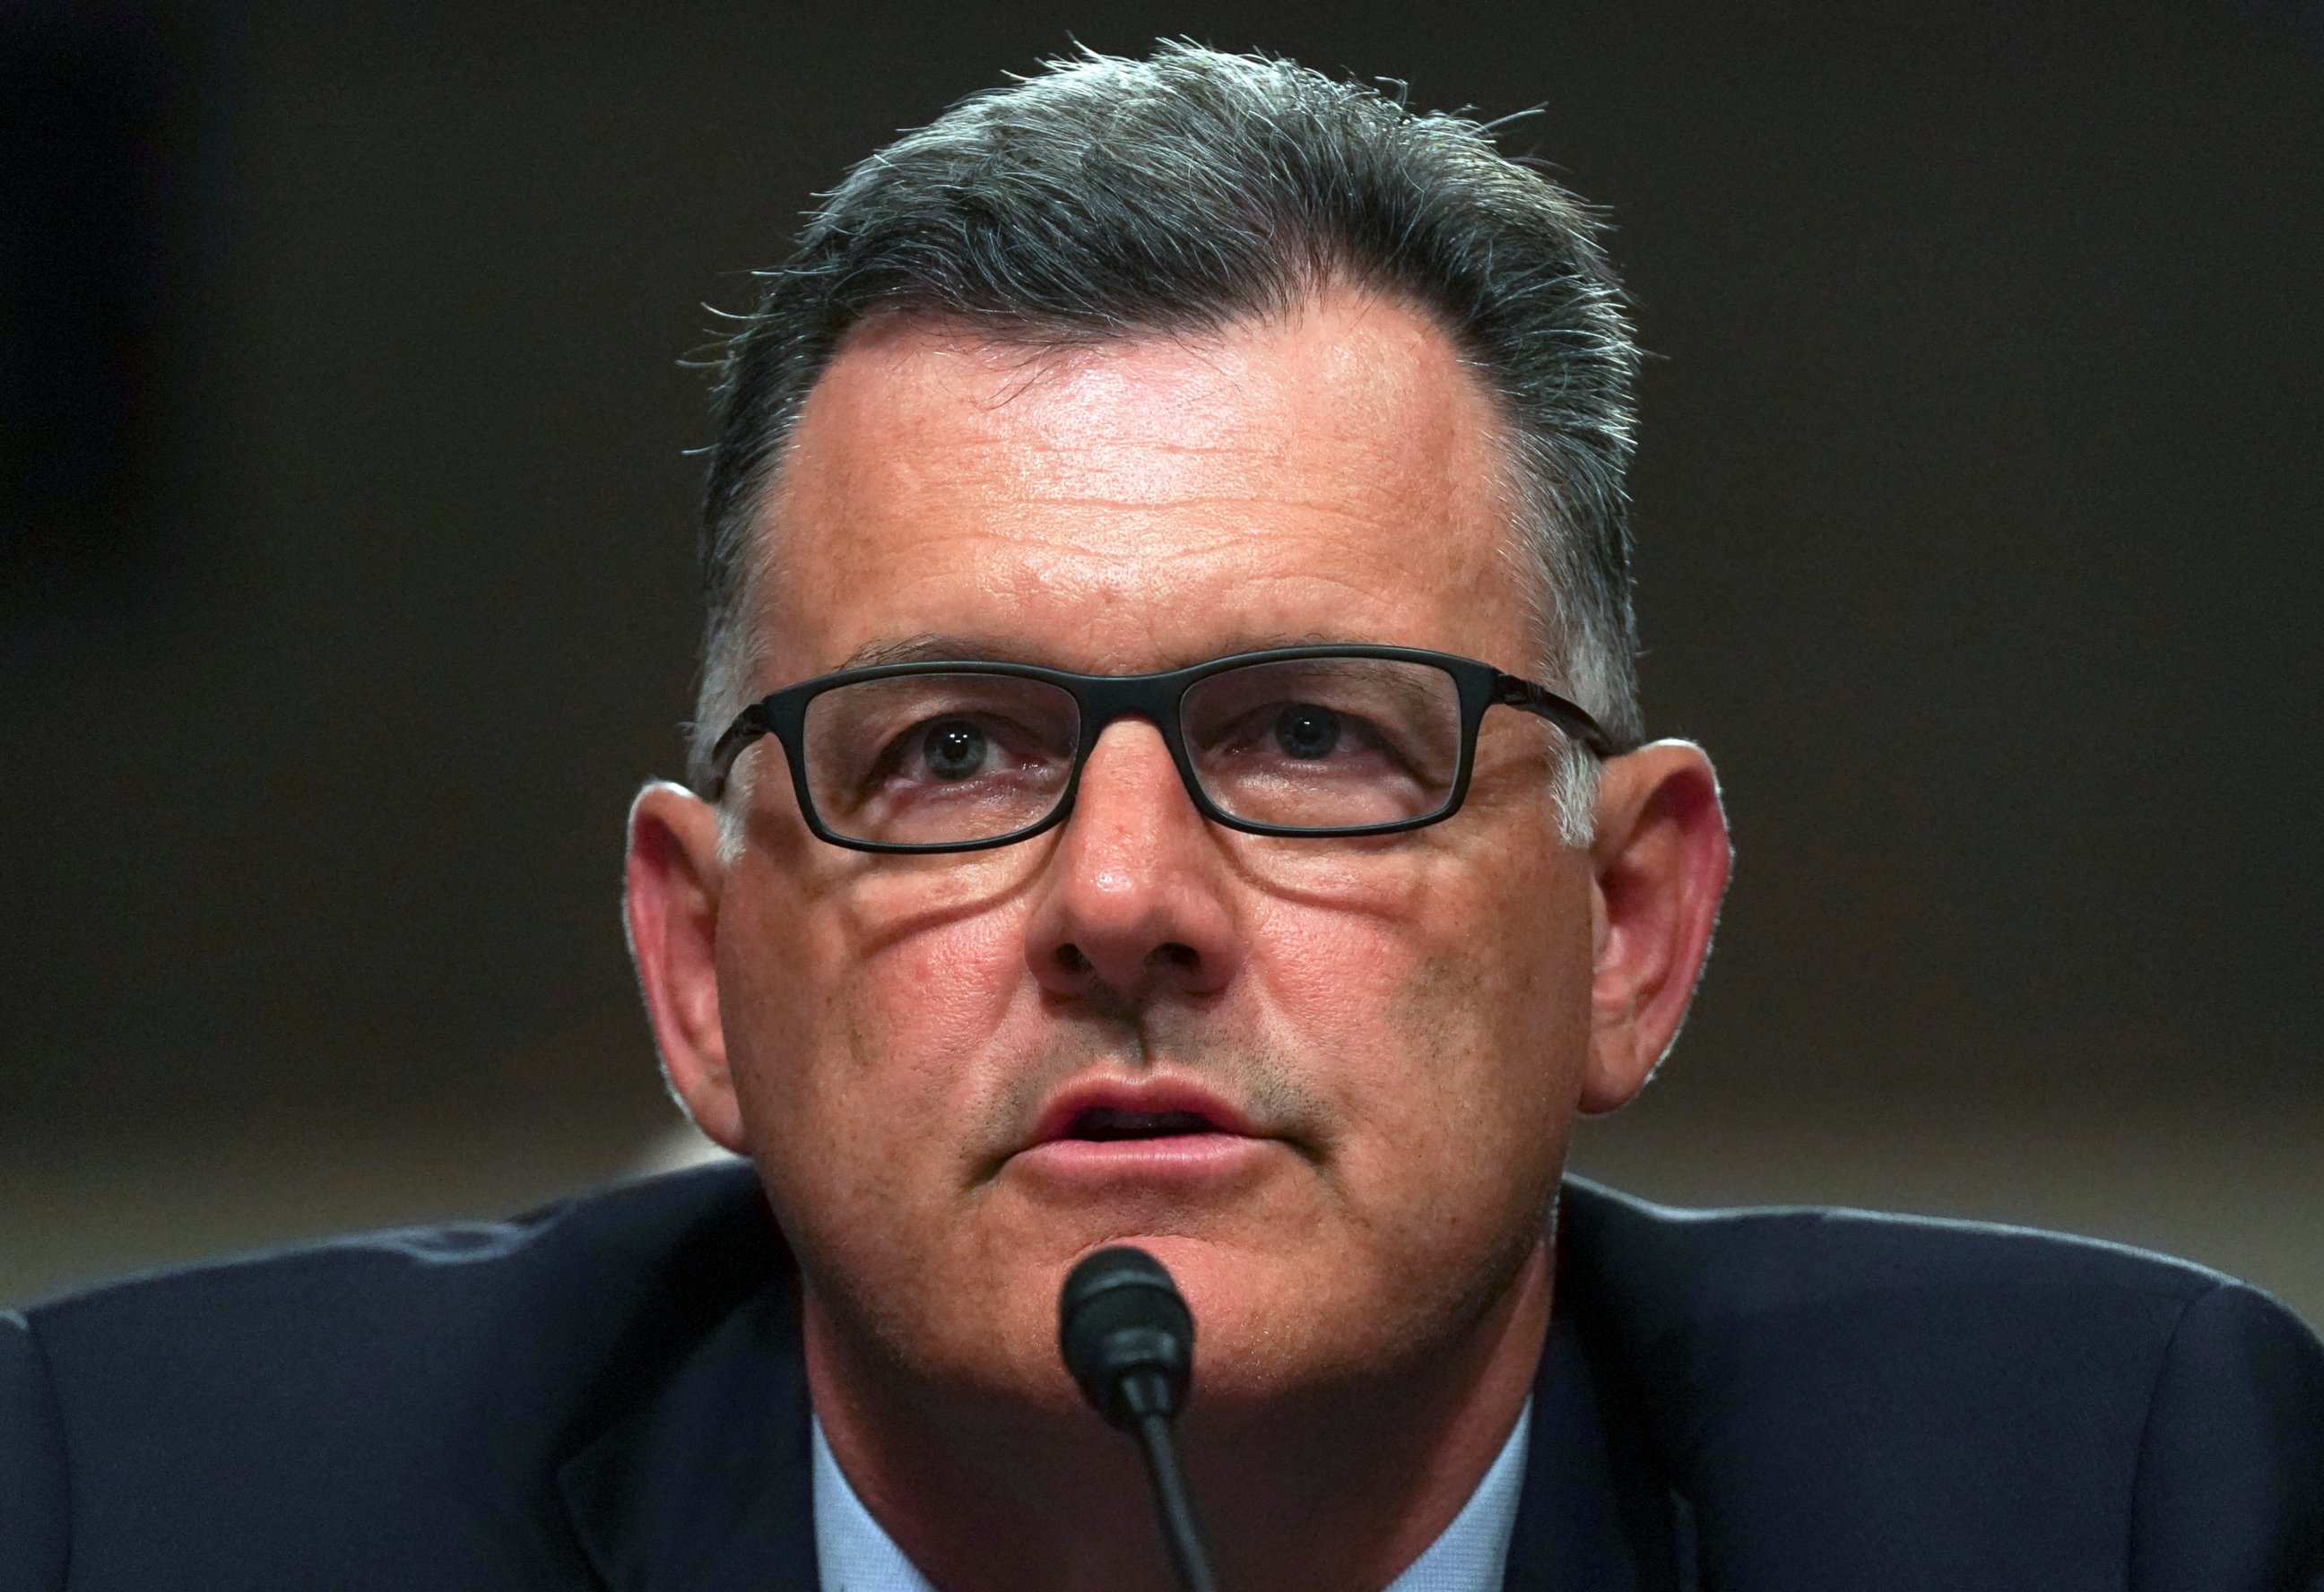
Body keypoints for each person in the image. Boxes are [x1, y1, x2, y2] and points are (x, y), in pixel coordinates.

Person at [4, 42, 2320, 1592]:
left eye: (1314, 736)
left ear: (1626, 923)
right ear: (700, 975)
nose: (1122, 900)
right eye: (949, 753)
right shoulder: (144, 1513)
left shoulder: (2111, 1503)